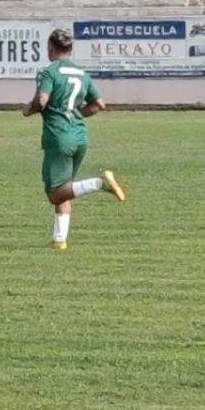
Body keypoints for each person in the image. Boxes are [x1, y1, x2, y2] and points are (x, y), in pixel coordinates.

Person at [21, 28, 126, 250]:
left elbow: (42, 101)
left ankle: (100, 183)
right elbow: (99, 105)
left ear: (50, 48)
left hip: (58, 138)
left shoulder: (49, 72)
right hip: (79, 137)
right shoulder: (81, 74)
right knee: (66, 189)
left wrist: (28, 109)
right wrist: (75, 114)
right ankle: (60, 240)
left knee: (55, 194)